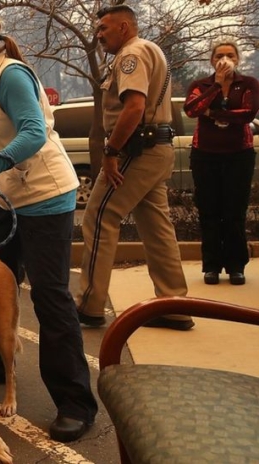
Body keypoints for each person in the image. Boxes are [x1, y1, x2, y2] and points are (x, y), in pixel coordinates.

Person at [0, 8, 98, 443]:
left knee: (50, 297)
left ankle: (75, 403)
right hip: (12, 199)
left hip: (47, 197)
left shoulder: (11, 75)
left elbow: (32, 133)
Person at [75, 4, 194, 331]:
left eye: (104, 28)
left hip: (136, 150)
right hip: (157, 149)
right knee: (157, 228)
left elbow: (134, 107)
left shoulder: (131, 54)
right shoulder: (150, 49)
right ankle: (174, 306)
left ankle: (89, 305)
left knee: (99, 216)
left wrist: (111, 150)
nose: (99, 35)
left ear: (124, 27)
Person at [183, 40, 259, 286]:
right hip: (205, 154)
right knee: (209, 211)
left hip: (239, 154)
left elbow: (247, 113)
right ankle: (212, 266)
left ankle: (236, 266)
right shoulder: (201, 85)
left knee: (235, 212)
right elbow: (192, 109)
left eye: (230, 55)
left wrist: (213, 113)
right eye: (219, 56)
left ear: (237, 59)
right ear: (211, 60)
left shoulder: (248, 84)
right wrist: (216, 85)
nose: (224, 60)